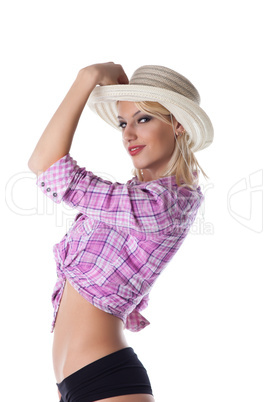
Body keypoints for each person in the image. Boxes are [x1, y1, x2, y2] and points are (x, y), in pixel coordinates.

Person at [28, 62, 213, 402]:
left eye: (143, 119)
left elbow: (47, 166)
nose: (128, 133)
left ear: (179, 124)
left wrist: (87, 79)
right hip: (73, 383)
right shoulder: (132, 198)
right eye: (122, 123)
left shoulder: (167, 204)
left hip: (107, 379)